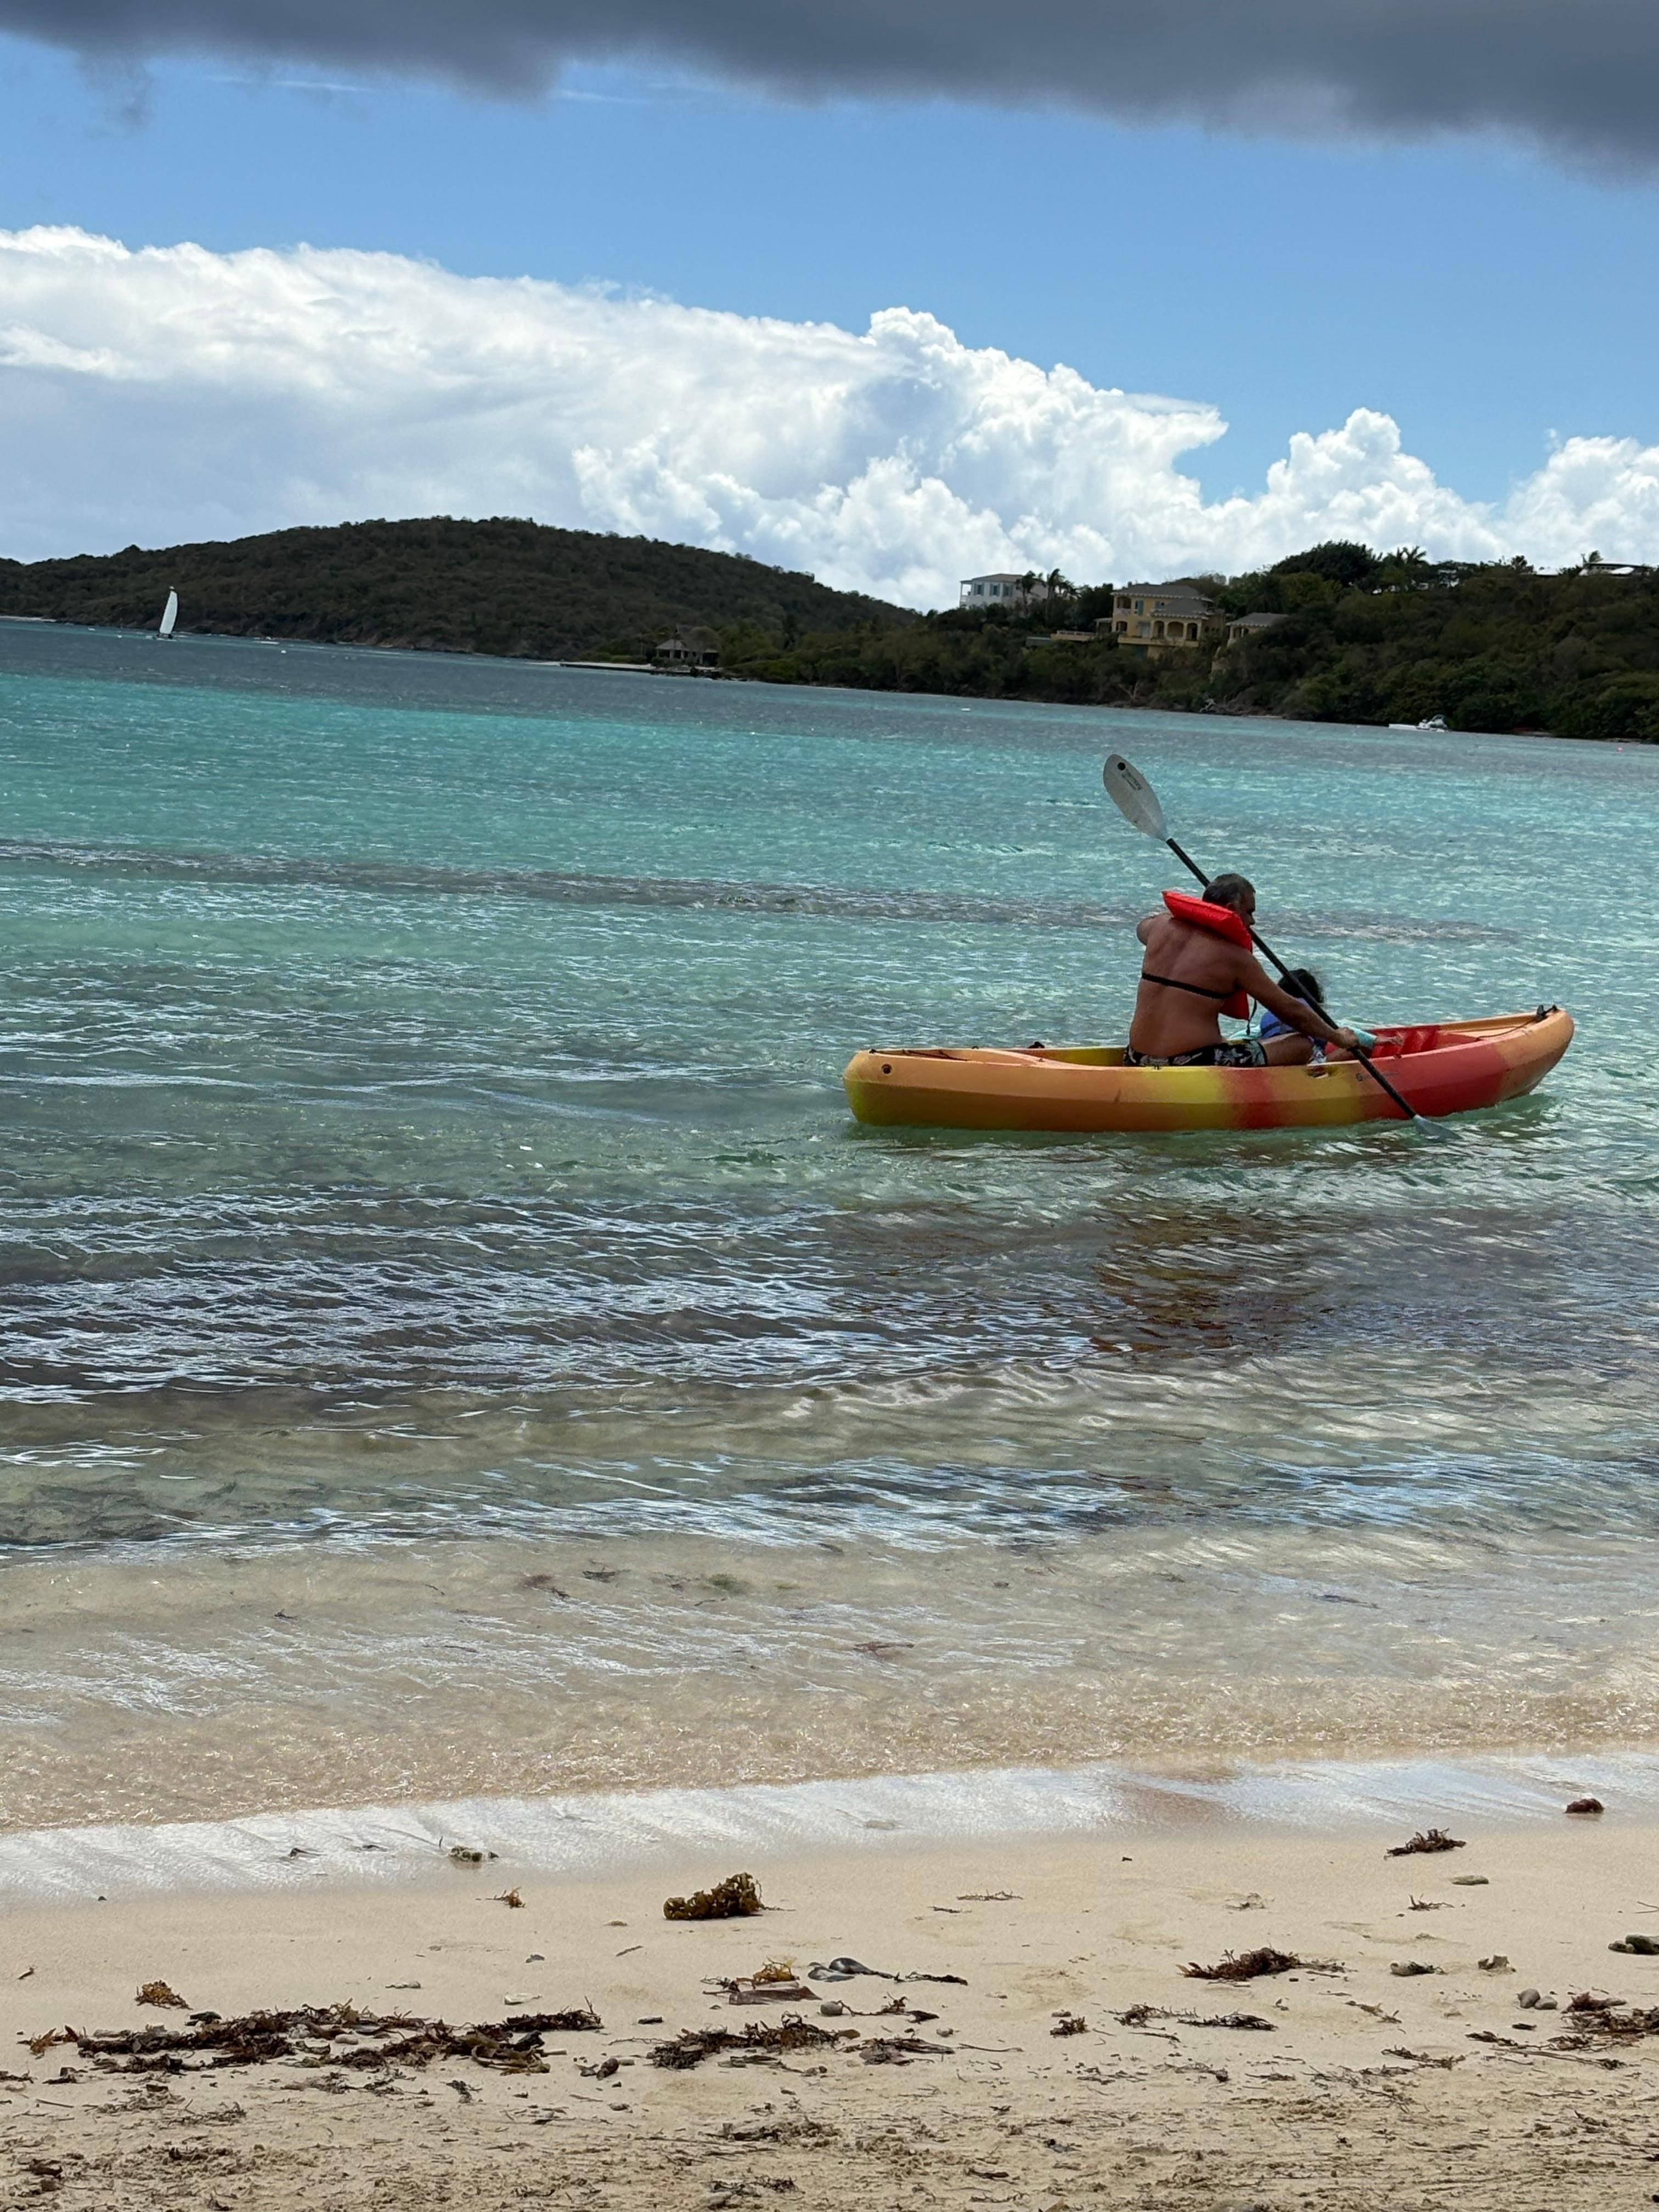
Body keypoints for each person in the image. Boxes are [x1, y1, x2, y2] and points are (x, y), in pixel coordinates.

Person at [1125, 875, 1365, 1068]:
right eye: (1250, 912)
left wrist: (1189, 918)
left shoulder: (1160, 927)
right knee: (1300, 1044)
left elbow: (1140, 929)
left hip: (1136, 1058)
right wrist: (1338, 1037)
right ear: (1232, 909)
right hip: (1196, 1063)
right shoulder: (1236, 959)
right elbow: (1292, 1011)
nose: (1253, 922)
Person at [1257, 966, 1328, 1060]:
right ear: (1314, 995)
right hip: (1303, 1055)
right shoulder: (1311, 1010)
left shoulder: (1271, 1012)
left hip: (1271, 1055)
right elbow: (1325, 1041)